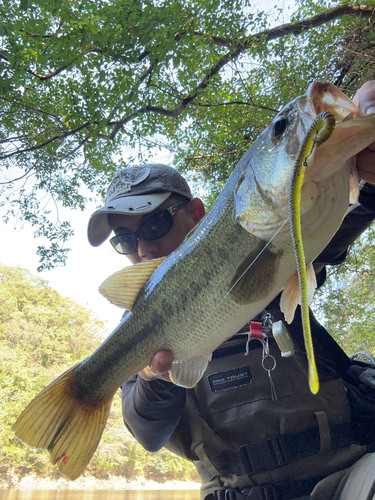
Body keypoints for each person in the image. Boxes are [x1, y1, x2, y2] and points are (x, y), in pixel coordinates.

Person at [87, 83, 375, 500]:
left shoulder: (270, 243)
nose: (145, 246)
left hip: (347, 478)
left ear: (197, 213)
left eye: (154, 224)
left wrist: (367, 178)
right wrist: (155, 376)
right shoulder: (136, 335)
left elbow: (343, 216)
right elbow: (148, 433)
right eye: (126, 241)